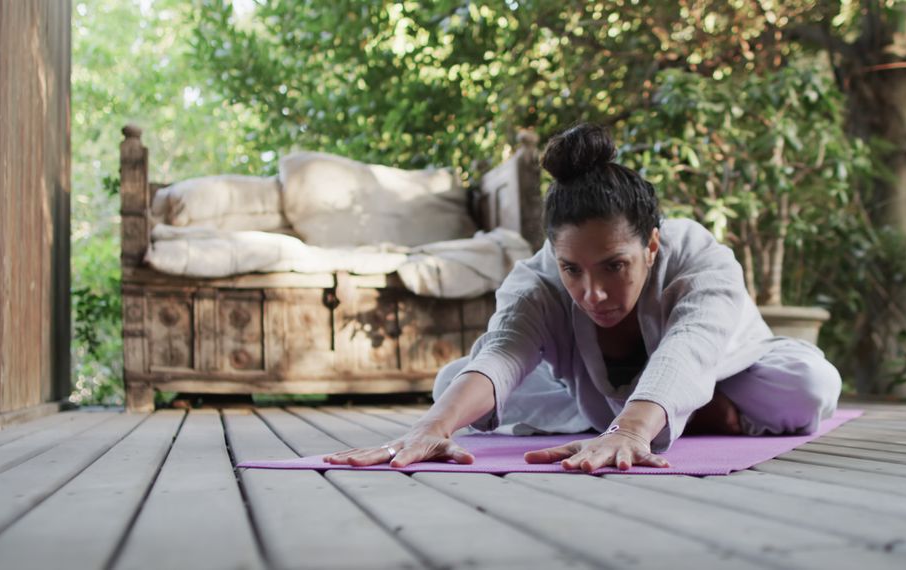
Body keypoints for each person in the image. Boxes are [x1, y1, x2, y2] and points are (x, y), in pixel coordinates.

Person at [324, 123, 841, 473]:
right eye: (573, 269)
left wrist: (632, 431)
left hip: (727, 374)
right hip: (594, 395)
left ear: (651, 245)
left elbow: (691, 345)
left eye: (615, 266)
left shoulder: (699, 256)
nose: (592, 293)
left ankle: (641, 414)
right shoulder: (537, 280)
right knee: (453, 385)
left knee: (809, 381)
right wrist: (431, 427)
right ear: (554, 252)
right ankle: (639, 414)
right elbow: (505, 351)